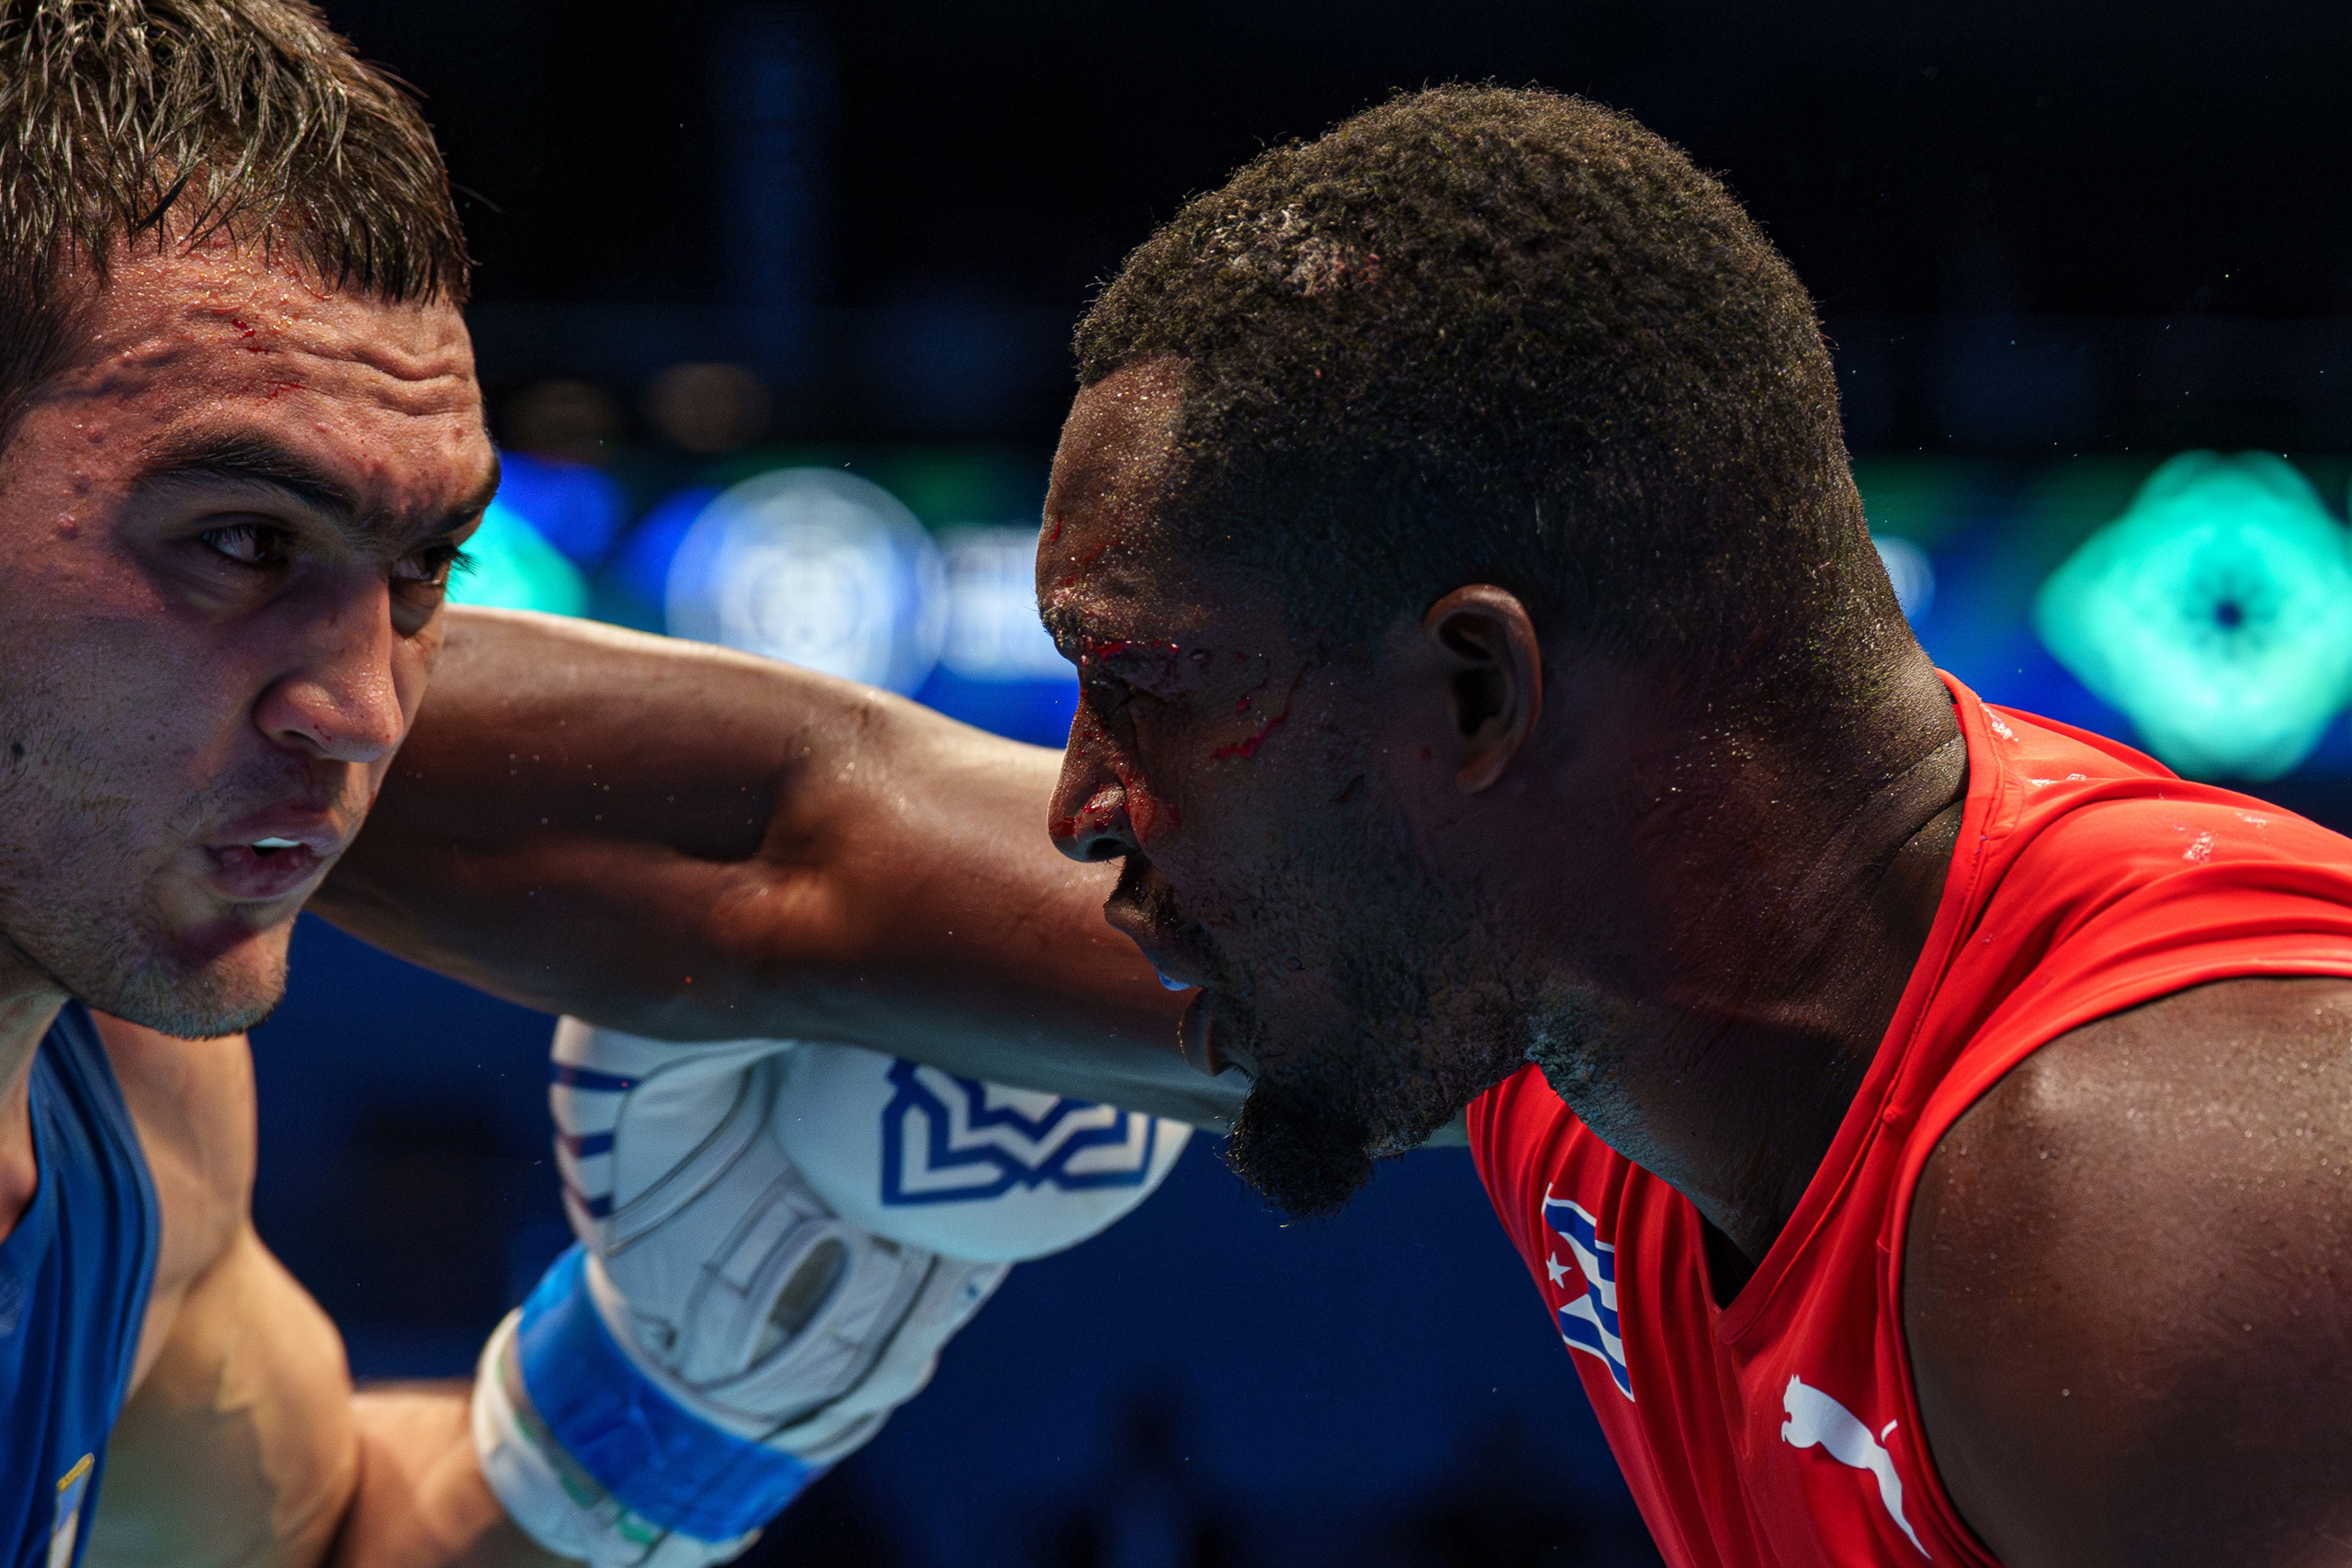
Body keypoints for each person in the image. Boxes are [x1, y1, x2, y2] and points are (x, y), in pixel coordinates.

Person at [326, 87, 2352, 1566]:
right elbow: (786, 846)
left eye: (1142, 680)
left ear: (1472, 693)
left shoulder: (2158, 1221)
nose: (1074, 796)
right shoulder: (1584, 980)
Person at [0, 5, 1196, 1564]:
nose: (365, 710)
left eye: (427, 570)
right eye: (241, 541)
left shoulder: (128, 1101)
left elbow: (312, 1537)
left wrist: (699, 1377)